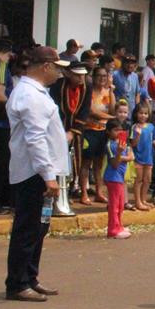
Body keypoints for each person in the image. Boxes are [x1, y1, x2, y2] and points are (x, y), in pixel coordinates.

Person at [4, 47, 71, 302]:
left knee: (38, 228)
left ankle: (30, 277)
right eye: (57, 67)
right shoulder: (30, 95)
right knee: (28, 228)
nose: (59, 72)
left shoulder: (36, 93)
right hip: (34, 173)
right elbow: (36, 140)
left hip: (41, 172)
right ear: (45, 66)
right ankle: (18, 283)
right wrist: (48, 176)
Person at [52, 60, 90, 203]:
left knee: (76, 159)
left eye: (83, 76)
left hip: (76, 129)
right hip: (59, 126)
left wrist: (73, 132)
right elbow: (54, 106)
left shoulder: (88, 86)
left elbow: (85, 110)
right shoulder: (58, 85)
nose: (81, 79)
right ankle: (57, 191)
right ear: (68, 74)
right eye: (77, 76)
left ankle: (70, 190)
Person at [78, 67, 114, 205]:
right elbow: (92, 112)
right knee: (86, 163)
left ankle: (99, 192)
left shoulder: (107, 92)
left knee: (99, 164)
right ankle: (84, 193)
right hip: (89, 129)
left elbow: (112, 108)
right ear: (93, 77)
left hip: (103, 131)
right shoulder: (89, 92)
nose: (102, 78)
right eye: (99, 76)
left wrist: (111, 91)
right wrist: (113, 118)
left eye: (104, 76)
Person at [103, 118, 133, 239]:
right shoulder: (110, 145)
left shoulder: (122, 143)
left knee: (120, 205)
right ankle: (113, 230)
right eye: (115, 130)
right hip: (113, 177)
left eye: (120, 130)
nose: (118, 132)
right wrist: (120, 154)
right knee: (114, 205)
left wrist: (122, 156)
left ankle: (118, 225)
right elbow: (114, 164)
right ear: (109, 132)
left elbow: (131, 156)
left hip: (119, 177)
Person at [0, 39, 14, 213]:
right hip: (1, 124)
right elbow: (0, 94)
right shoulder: (1, 67)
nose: (10, 57)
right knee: (1, 164)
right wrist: (15, 108)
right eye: (8, 53)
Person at [130, 104, 155, 211]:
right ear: (136, 114)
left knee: (147, 180)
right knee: (139, 180)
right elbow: (133, 144)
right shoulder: (134, 127)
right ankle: (137, 202)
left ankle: (143, 199)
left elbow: (153, 140)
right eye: (141, 113)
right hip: (138, 158)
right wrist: (138, 135)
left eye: (145, 113)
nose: (143, 116)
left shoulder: (151, 127)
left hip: (149, 157)